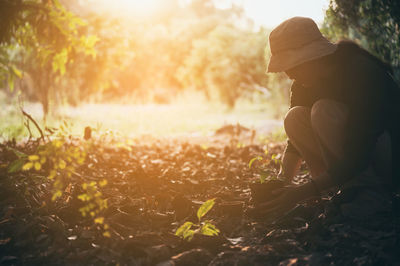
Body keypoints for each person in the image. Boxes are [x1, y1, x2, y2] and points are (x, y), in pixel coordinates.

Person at [255, 17, 400, 215]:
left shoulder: (361, 71)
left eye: (293, 66)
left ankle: (371, 194)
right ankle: (344, 189)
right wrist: (282, 183)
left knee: (323, 111)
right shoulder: (303, 82)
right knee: (294, 117)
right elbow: (294, 143)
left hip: (389, 158)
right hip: (356, 161)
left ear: (314, 57)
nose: (289, 75)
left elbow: (359, 148)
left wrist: (302, 192)